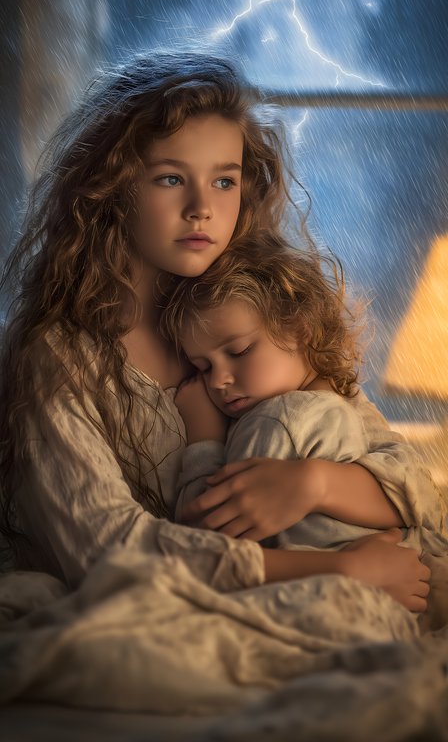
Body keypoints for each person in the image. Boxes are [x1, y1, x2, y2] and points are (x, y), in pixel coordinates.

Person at [0, 49, 432, 612]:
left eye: (224, 180)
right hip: (158, 605)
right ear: (112, 188)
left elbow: (413, 485)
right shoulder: (60, 357)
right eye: (170, 178)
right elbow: (106, 548)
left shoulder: (253, 314)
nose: (201, 207)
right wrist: (339, 569)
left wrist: (315, 484)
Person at [160, 233, 448, 567]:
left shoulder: (293, 415)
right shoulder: (306, 404)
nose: (217, 380)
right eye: (203, 367)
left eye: (239, 351)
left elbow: (206, 538)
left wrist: (204, 441)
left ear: (299, 329)